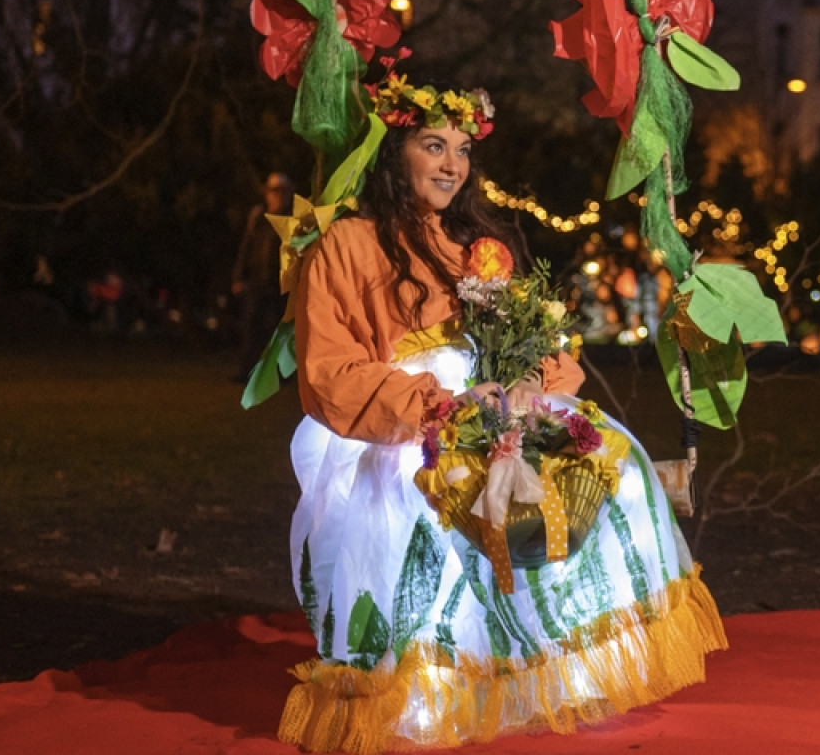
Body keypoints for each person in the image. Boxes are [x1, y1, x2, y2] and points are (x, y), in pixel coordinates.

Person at [277, 80, 724, 754]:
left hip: (496, 407)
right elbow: (330, 374)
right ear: (394, 152)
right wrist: (438, 406)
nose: (452, 164)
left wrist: (523, 381)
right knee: (420, 503)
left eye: (461, 149)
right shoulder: (346, 246)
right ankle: (428, 689)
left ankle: (559, 663)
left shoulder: (476, 248)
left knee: (614, 467)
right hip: (404, 422)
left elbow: (538, 344)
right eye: (433, 145)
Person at [232, 172, 294, 379]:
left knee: (278, 331)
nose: (277, 196)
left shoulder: (291, 219)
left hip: (281, 284)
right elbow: (246, 247)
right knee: (251, 327)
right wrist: (239, 276)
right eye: (273, 191)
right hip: (257, 282)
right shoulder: (258, 217)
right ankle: (246, 371)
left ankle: (279, 374)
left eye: (281, 191)